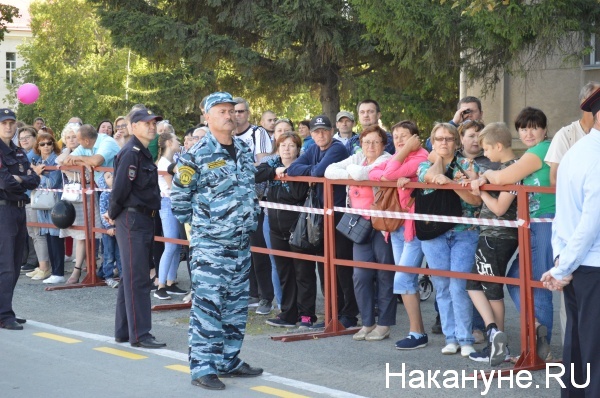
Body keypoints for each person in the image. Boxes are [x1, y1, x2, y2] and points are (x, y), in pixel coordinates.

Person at [170, 92, 262, 390]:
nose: (229, 115)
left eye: (232, 111)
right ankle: (203, 367)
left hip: (240, 244)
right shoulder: (196, 155)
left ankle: (228, 360)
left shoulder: (244, 151)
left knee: (235, 306)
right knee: (208, 307)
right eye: (221, 111)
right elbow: (180, 201)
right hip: (211, 245)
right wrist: (206, 226)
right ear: (207, 117)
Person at [481, 107, 555, 361]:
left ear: (545, 129)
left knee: (538, 284)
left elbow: (502, 177)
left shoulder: (541, 151)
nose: (528, 132)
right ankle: (536, 331)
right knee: (517, 277)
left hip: (545, 222)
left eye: (534, 126)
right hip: (535, 223)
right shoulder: (536, 152)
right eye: (523, 128)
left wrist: (486, 175)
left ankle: (537, 349)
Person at [541, 86, 600, 397]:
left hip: (578, 266)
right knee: (594, 355)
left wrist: (561, 263)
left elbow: (562, 216)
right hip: (592, 266)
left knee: (577, 350)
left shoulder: (578, 152)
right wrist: (564, 266)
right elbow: (590, 224)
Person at [287, 114, 359, 328]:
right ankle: (333, 314)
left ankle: (348, 314)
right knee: (326, 266)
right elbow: (293, 168)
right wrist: (312, 172)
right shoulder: (313, 149)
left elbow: (319, 171)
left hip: (339, 215)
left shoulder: (336, 148)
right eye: (316, 131)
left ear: (331, 131)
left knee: (342, 266)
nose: (320, 134)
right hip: (322, 216)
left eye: (324, 130)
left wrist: (312, 172)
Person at [417, 123, 482, 357]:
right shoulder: (424, 164)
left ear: (457, 142)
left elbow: (475, 201)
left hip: (464, 231)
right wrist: (439, 162)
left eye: (448, 139)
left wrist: (452, 183)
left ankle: (465, 338)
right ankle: (450, 337)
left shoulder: (469, 165)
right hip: (434, 233)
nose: (444, 143)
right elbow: (431, 176)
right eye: (439, 139)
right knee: (443, 286)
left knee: (459, 286)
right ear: (432, 143)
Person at [325, 125, 393, 341]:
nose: (370, 146)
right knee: (360, 275)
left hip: (382, 223)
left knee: (384, 273)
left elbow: (364, 174)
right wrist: (352, 173)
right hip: (359, 225)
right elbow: (329, 171)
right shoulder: (357, 158)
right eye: (366, 142)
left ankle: (384, 324)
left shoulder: (387, 159)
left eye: (375, 142)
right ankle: (367, 322)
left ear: (383, 144)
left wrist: (354, 175)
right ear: (360, 144)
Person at [108, 108, 166, 349]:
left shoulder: (142, 153)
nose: (152, 126)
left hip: (142, 218)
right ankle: (140, 334)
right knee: (138, 279)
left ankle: (124, 331)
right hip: (132, 219)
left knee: (131, 277)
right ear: (133, 126)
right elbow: (119, 189)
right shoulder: (131, 153)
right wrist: (112, 215)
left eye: (154, 123)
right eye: (146, 123)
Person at [368, 120, 429, 349]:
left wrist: (400, 156)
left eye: (405, 136)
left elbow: (390, 171)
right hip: (395, 226)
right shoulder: (398, 156)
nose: (399, 141)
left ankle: (418, 332)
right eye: (396, 137)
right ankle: (418, 332)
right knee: (406, 280)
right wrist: (391, 175)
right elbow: (374, 172)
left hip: (413, 228)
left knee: (403, 279)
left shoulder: (421, 156)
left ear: (415, 138)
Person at [467, 123, 520, 366]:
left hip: (497, 237)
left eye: (487, 148)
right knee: (474, 284)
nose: (485, 153)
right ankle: (494, 334)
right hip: (490, 236)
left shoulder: (513, 170)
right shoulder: (503, 169)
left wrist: (482, 192)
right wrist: (481, 179)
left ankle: (500, 345)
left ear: (499, 146)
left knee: (492, 289)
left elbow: (499, 208)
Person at [255, 132, 308, 327]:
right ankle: (287, 313)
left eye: (291, 145)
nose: (286, 148)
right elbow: (253, 174)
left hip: (298, 227)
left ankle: (306, 315)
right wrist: (275, 172)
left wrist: (290, 174)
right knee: (283, 271)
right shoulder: (271, 163)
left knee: (302, 272)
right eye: (283, 145)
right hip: (274, 226)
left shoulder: (302, 165)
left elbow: (298, 194)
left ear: (297, 149)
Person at [233, 97, 274, 315]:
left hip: (257, 198)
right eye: (234, 111)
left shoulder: (258, 133)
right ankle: (252, 291)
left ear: (247, 113)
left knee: (259, 249)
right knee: (244, 249)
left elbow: (263, 164)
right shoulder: (227, 134)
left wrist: (240, 172)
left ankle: (266, 296)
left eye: (241, 111)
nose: (237, 115)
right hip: (236, 199)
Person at [0, 108, 40, 330]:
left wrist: (21, 179)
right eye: (4, 123)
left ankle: (6, 310)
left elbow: (35, 179)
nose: (8, 126)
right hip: (3, 210)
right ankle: (4, 315)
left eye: (11, 122)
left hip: (18, 209)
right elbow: (5, 182)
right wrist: (22, 180)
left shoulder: (17, 151)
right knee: (6, 265)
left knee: (15, 265)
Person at [57, 124, 108, 284]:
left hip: (86, 197)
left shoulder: (87, 151)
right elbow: (61, 162)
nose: (72, 140)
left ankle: (82, 270)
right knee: (78, 234)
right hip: (71, 197)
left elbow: (88, 176)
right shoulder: (65, 153)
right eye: (69, 137)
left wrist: (69, 170)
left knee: (87, 235)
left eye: (74, 137)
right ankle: (84, 268)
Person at [154, 131, 186, 300]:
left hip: (174, 203)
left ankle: (171, 281)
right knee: (170, 245)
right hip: (168, 204)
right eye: (176, 140)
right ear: (168, 143)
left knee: (177, 245)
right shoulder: (164, 163)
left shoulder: (172, 161)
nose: (179, 142)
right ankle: (161, 285)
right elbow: (171, 188)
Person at [32, 132, 65, 284]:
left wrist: (39, 174)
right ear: (38, 147)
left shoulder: (55, 160)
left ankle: (59, 272)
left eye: (49, 143)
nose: (46, 146)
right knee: (47, 235)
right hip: (41, 203)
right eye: (42, 144)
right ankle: (53, 271)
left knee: (55, 236)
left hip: (54, 203)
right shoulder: (38, 160)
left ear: (54, 144)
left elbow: (53, 183)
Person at [17, 126, 43, 274]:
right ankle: (28, 260)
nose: (24, 140)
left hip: (36, 197)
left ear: (35, 138)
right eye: (21, 138)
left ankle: (35, 261)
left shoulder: (34, 154)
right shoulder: (22, 154)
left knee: (35, 232)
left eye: (28, 137)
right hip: (25, 196)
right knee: (29, 232)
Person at [98, 171, 120, 288]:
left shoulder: (120, 193)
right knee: (109, 254)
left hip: (119, 228)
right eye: (108, 176)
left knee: (120, 253)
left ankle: (123, 275)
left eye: (113, 175)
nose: (112, 177)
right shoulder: (104, 195)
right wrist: (109, 226)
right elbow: (102, 213)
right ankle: (108, 276)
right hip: (108, 230)